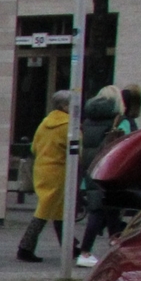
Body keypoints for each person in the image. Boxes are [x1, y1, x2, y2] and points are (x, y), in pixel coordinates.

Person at [77, 85, 131, 266]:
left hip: (91, 171)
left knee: (105, 210)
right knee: (100, 212)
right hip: (111, 172)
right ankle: (85, 252)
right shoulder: (119, 121)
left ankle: (115, 244)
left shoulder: (87, 121)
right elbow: (127, 146)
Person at [19, 89, 73, 261]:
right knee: (45, 211)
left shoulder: (45, 123)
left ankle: (70, 247)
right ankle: (25, 247)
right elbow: (76, 149)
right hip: (59, 171)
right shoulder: (69, 125)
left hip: (41, 169)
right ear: (65, 106)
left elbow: (34, 147)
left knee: (57, 210)